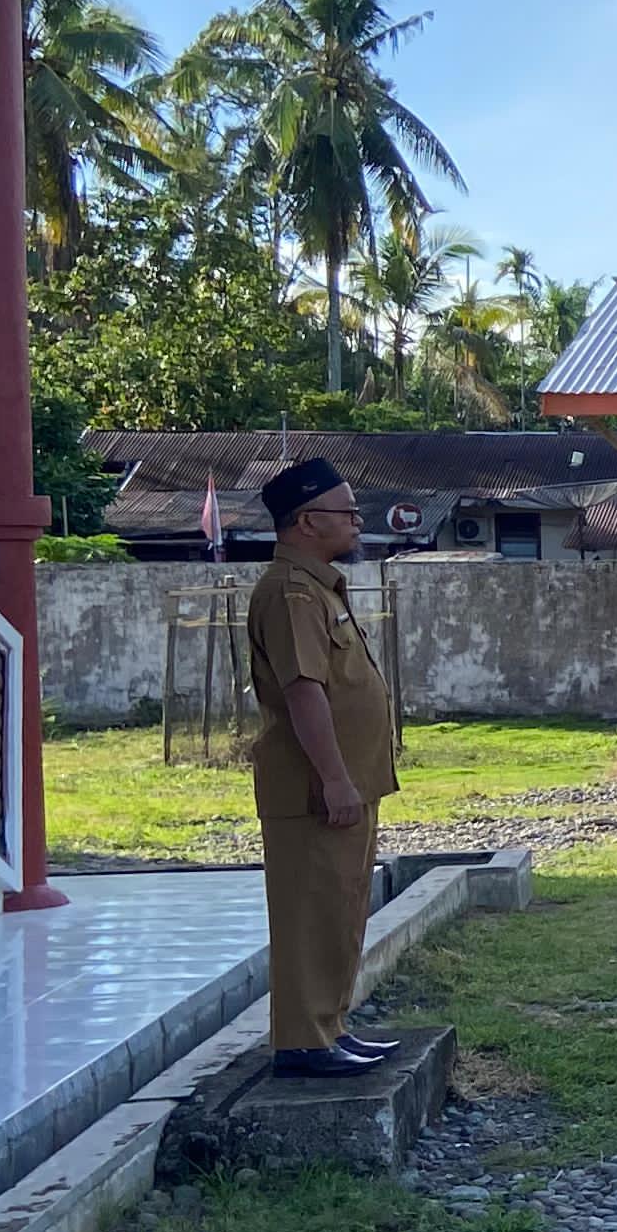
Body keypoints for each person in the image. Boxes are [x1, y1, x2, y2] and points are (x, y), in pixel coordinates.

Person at [246, 459, 399, 1079]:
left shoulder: (319, 587)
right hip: (314, 787)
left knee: (341, 907)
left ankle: (329, 1027)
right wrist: (334, 778)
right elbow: (304, 691)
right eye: (347, 512)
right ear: (307, 521)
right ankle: (302, 1042)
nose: (358, 523)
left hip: (349, 781)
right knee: (310, 914)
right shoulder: (289, 594)